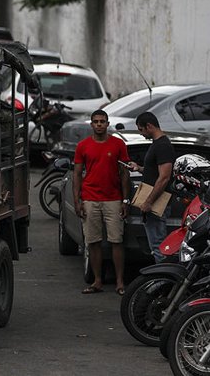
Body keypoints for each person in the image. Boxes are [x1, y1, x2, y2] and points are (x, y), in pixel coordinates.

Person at [72, 110, 130, 295]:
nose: (99, 124)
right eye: (95, 121)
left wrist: (125, 200)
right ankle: (97, 281)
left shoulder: (118, 144)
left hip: (113, 199)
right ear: (91, 124)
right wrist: (77, 200)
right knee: (93, 242)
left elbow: (124, 174)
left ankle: (120, 282)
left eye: (102, 121)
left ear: (107, 123)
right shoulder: (83, 146)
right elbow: (77, 174)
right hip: (90, 198)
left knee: (116, 241)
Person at [128, 112, 174, 263]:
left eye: (141, 130)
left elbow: (164, 177)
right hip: (153, 202)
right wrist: (140, 168)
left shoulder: (162, 145)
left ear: (149, 126)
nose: (141, 134)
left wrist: (148, 201)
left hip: (157, 203)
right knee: (155, 245)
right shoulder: (157, 144)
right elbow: (155, 172)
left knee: (158, 246)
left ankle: (163, 280)